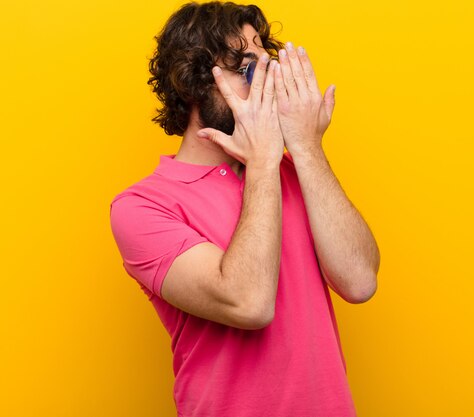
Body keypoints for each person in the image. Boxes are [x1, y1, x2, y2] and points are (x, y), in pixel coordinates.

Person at [109, 2, 380, 416]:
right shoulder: (143, 207)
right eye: (245, 69)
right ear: (193, 84)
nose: (265, 86)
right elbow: (249, 303)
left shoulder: (294, 170)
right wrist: (264, 162)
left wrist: (306, 147)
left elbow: (360, 282)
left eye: (267, 68)